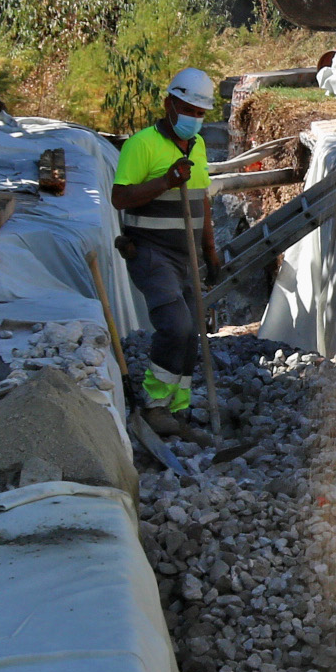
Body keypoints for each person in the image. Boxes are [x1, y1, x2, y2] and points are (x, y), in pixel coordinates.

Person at [113, 68, 221, 417]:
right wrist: (165, 181)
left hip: (186, 255)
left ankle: (177, 411)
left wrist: (210, 253)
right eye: (187, 109)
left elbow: (201, 198)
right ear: (169, 104)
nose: (193, 118)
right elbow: (120, 197)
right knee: (175, 326)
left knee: (192, 333)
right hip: (149, 251)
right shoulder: (141, 145)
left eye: (199, 113)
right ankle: (155, 407)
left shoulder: (198, 145)